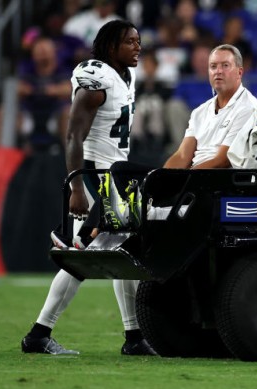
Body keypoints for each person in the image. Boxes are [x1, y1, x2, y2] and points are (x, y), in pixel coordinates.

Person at [21, 20, 155, 356]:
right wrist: (77, 187)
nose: (137, 47)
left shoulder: (125, 75)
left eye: (138, 40)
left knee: (124, 250)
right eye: (130, 42)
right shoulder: (96, 78)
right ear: (111, 46)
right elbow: (73, 135)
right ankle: (39, 333)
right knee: (82, 256)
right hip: (96, 174)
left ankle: (134, 336)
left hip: (114, 175)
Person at [163, 44, 257, 169]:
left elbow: (224, 160)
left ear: (239, 72)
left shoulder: (248, 108)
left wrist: (186, 177)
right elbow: (182, 156)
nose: (218, 71)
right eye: (213, 66)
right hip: (196, 174)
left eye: (225, 65)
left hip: (223, 177)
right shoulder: (199, 112)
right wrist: (161, 177)